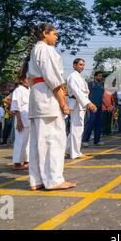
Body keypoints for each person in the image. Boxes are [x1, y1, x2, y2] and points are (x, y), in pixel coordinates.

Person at [24, 23, 75, 191]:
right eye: (54, 34)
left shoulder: (35, 50)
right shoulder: (46, 50)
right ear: (45, 34)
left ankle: (36, 180)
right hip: (48, 97)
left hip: (38, 96)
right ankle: (54, 180)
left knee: (39, 142)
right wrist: (63, 102)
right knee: (54, 140)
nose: (56, 37)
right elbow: (53, 80)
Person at [65, 58, 97, 160]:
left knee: (75, 129)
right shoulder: (73, 76)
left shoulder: (79, 77)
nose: (82, 67)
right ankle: (75, 153)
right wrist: (89, 103)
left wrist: (87, 102)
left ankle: (67, 150)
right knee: (77, 129)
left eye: (83, 65)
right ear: (74, 65)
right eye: (80, 64)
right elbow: (77, 92)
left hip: (80, 104)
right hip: (76, 104)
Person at [11, 76, 31, 171]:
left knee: (28, 142)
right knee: (20, 141)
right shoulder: (18, 90)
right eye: (27, 79)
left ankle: (26, 160)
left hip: (29, 120)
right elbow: (16, 107)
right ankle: (17, 162)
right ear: (22, 80)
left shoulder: (30, 90)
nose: (29, 80)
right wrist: (19, 121)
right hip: (21, 120)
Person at [83, 71, 105, 147]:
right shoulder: (90, 84)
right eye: (99, 75)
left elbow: (102, 96)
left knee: (98, 124)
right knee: (90, 123)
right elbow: (86, 94)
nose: (100, 77)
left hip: (99, 107)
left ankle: (97, 141)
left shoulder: (102, 85)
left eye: (101, 76)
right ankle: (85, 140)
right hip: (92, 107)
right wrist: (88, 104)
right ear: (95, 76)